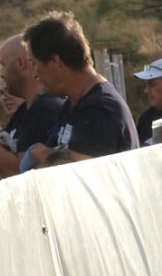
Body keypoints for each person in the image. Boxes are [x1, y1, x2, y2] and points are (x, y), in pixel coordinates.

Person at [23, 12, 137, 166]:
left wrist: (39, 153)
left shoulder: (99, 109)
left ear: (56, 61)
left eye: (35, 64)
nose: (34, 73)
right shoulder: (73, 104)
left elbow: (78, 176)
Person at [0, 33, 65, 178]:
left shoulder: (46, 108)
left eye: (3, 65)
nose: (2, 74)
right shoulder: (26, 110)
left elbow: (19, 173)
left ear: (20, 64)